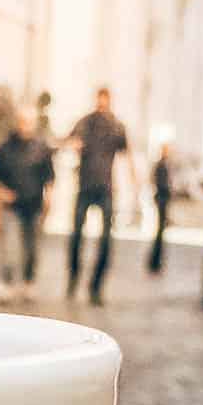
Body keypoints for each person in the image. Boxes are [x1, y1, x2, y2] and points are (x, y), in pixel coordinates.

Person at [65, 87, 137, 306]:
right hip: (85, 186)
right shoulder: (85, 122)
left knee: (106, 240)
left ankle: (96, 287)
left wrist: (134, 183)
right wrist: (74, 147)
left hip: (105, 188)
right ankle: (73, 278)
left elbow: (127, 154)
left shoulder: (117, 126)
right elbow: (70, 142)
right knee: (76, 235)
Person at [0, 106, 56, 303]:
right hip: (12, 207)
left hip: (34, 205)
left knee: (32, 248)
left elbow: (50, 177)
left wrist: (49, 199)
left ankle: (28, 283)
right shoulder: (5, 147)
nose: (25, 126)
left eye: (28, 122)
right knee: (9, 247)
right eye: (22, 121)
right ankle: (7, 285)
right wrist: (1, 193)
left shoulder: (42, 147)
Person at [148, 143, 175, 274]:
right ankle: (154, 262)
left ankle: (156, 262)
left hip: (163, 199)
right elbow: (161, 183)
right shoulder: (161, 165)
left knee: (161, 233)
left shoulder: (165, 165)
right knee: (159, 232)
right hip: (162, 200)